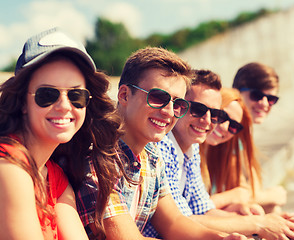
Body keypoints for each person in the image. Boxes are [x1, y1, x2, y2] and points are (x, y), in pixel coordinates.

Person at [74, 47, 248, 240]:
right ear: (124, 95)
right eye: (158, 98)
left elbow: (173, 222)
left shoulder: (151, 154)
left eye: (178, 104)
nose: (169, 111)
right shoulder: (97, 155)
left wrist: (223, 238)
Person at [144, 70, 294, 240]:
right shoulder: (162, 146)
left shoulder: (192, 148)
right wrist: (259, 224)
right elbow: (182, 221)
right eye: (198, 109)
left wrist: (267, 222)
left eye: (215, 114)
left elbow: (203, 209)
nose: (207, 120)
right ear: (179, 106)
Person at [0, 27, 99, 239]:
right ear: (23, 102)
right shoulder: (8, 166)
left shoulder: (54, 176)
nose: (64, 105)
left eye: (76, 95)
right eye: (47, 94)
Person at [201, 87, 286, 215]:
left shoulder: (224, 151)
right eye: (221, 116)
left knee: (268, 211)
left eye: (234, 127)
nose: (225, 127)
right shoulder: (188, 150)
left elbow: (247, 189)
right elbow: (189, 210)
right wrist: (231, 196)